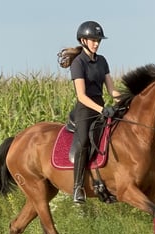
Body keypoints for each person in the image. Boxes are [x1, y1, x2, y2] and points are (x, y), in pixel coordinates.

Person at [58, 21, 120, 204]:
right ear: (83, 40)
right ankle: (78, 187)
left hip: (101, 107)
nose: (96, 43)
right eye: (93, 40)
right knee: (84, 141)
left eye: (98, 40)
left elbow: (112, 90)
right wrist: (102, 109)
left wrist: (126, 100)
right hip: (85, 110)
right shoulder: (78, 63)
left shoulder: (102, 61)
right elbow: (81, 96)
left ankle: (104, 181)